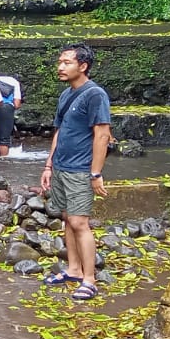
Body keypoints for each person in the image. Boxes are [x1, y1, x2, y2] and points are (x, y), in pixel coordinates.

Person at [40, 44, 112, 302]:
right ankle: (73, 269)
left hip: (81, 170)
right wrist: (49, 165)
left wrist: (95, 173)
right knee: (68, 218)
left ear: (83, 66)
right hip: (61, 167)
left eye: (67, 62)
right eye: (60, 62)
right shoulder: (66, 95)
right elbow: (59, 131)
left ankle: (89, 280)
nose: (60, 67)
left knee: (80, 222)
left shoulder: (95, 95)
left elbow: (102, 134)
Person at [0, 68, 23, 157]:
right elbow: (16, 104)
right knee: (4, 139)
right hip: (6, 108)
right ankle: (3, 161)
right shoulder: (14, 82)